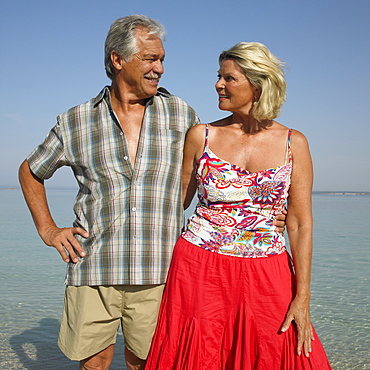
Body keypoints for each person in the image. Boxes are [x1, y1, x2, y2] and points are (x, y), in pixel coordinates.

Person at [18, 16, 286, 369]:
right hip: (94, 266)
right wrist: (49, 230)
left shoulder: (181, 115)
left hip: (161, 269)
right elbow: (31, 171)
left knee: (149, 361)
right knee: (93, 361)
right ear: (117, 60)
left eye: (161, 59)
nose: (159, 68)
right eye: (149, 59)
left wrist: (261, 212)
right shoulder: (75, 121)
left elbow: (216, 177)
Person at [146, 42, 332, 369]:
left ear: (257, 84)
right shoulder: (200, 136)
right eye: (219, 76)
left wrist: (303, 296)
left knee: (282, 350)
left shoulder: (294, 143)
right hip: (198, 266)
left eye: (229, 78)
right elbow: (173, 203)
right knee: (198, 355)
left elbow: (301, 224)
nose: (218, 84)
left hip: (267, 268)